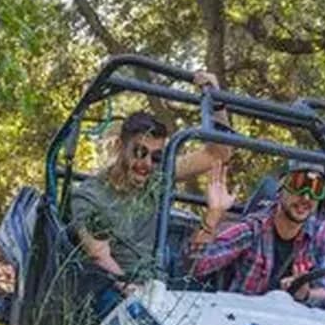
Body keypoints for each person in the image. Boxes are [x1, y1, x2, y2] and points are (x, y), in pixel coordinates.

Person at [71, 70, 231, 311]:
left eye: (156, 157)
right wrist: (136, 295)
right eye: (139, 152)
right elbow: (100, 256)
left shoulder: (157, 179)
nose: (146, 164)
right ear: (120, 147)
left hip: (156, 285)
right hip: (111, 286)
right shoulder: (90, 196)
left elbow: (218, 154)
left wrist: (216, 101)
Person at [186, 160, 325, 302]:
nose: (306, 197)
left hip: (297, 321)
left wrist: (306, 294)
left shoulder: (324, 234)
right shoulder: (252, 229)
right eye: (298, 184)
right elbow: (195, 267)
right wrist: (214, 214)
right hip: (242, 316)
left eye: (317, 189)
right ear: (281, 189)